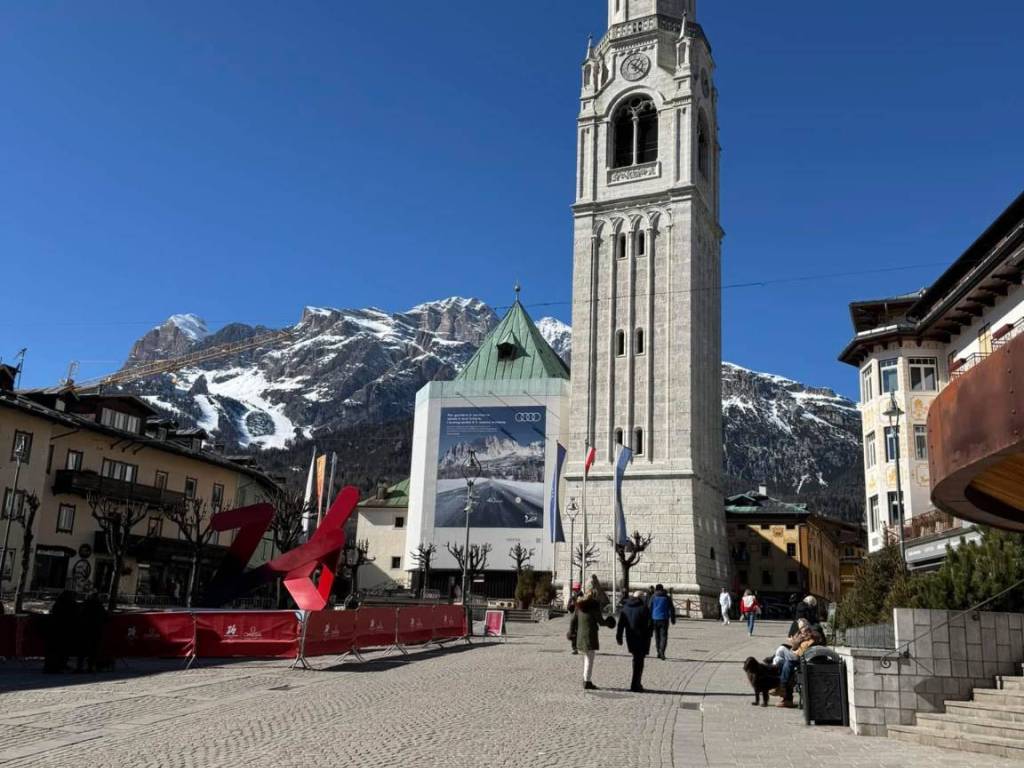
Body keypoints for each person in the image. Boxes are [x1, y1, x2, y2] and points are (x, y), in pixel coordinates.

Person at [575, 581, 614, 690]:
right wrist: (608, 622)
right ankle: (587, 681)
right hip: (590, 634)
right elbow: (600, 621)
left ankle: (585, 679)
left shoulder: (579, 603)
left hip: (581, 634)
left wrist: (572, 632)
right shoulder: (594, 604)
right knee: (590, 658)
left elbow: (574, 619)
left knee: (586, 657)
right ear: (593, 591)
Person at [616, 590, 653, 692]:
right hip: (642, 638)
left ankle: (636, 683)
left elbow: (621, 624)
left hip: (630, 638)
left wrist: (619, 637)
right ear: (641, 598)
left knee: (636, 659)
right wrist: (650, 635)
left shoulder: (626, 607)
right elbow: (650, 624)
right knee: (639, 661)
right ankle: (635, 684)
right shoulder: (644, 608)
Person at [44, 591, 78, 673]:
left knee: (53, 649)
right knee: (63, 649)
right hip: (65, 630)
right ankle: (59, 665)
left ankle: (51, 665)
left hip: (55, 630)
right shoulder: (72, 605)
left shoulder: (57, 604)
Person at [76, 592, 108, 673]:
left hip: (84, 630)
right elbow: (105, 618)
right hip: (96, 630)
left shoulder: (85, 605)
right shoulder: (99, 607)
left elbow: (79, 616)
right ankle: (90, 667)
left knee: (82, 650)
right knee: (93, 650)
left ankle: (79, 667)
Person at [649, 584, 676, 659]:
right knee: (664, 636)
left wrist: (648, 619)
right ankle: (662, 651)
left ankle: (658, 651)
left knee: (657, 636)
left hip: (655, 618)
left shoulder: (653, 597)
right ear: (662, 589)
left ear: (656, 589)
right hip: (664, 619)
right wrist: (673, 619)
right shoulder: (667, 597)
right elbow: (672, 609)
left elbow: (649, 608)